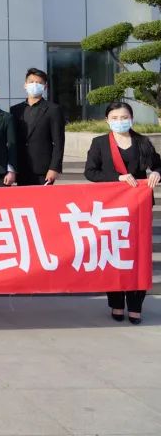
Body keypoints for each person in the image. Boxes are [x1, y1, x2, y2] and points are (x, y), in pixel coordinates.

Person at [84, 102, 160, 325]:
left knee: (138, 255)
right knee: (115, 253)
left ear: (131, 118)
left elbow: (158, 165)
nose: (120, 121)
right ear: (107, 120)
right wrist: (117, 178)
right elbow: (90, 172)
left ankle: (136, 305)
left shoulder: (142, 142)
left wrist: (156, 173)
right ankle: (116, 303)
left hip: (138, 207)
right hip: (112, 207)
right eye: (115, 118)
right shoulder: (100, 143)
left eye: (124, 117)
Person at [10, 68, 65, 186]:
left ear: (45, 87)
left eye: (39, 83)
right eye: (31, 82)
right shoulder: (15, 110)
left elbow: (59, 142)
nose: (34, 85)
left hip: (43, 169)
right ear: (25, 85)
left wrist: (54, 168)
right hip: (21, 167)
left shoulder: (53, 109)